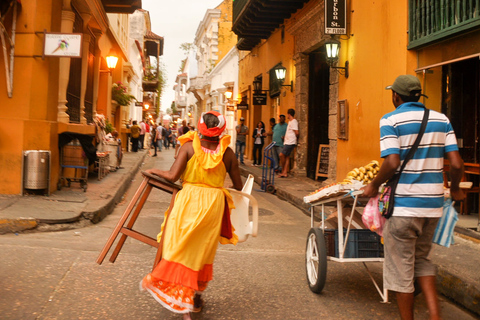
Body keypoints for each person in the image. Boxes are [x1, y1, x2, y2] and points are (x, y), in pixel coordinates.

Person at [363, 74, 465, 320]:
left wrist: (375, 184)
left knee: (401, 269)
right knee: (422, 260)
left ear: (396, 96)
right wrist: (455, 188)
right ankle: (435, 317)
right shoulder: (442, 119)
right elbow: (456, 163)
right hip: (432, 206)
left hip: (403, 208)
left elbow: (392, 161)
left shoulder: (390, 120)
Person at [141, 111, 243, 320]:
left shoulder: (188, 147)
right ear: (221, 129)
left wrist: (154, 171)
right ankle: (195, 299)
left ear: (200, 127)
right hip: (214, 206)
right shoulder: (228, 153)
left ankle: (184, 307)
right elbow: (239, 186)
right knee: (201, 252)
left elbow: (172, 176)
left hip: (189, 202)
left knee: (180, 248)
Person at [278, 109, 298, 178]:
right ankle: (285, 172)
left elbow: (296, 132)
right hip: (287, 141)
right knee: (287, 157)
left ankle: (283, 170)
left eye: (287, 114)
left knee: (281, 155)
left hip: (290, 142)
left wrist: (293, 138)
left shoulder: (293, 122)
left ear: (289, 114)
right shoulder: (290, 122)